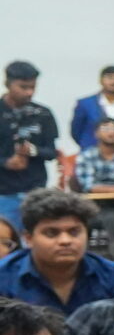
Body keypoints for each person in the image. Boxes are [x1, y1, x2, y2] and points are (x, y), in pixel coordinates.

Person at [0, 190, 114, 315]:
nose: (65, 241)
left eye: (74, 232)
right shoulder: (4, 276)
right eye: (51, 233)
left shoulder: (111, 275)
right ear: (29, 239)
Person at [1, 60, 59, 230]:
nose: (29, 92)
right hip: (3, 191)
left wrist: (34, 151)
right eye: (23, 87)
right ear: (8, 84)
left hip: (35, 191)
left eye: (33, 87)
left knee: (34, 236)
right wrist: (6, 163)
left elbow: (52, 152)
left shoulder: (43, 114)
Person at [67, 64, 114, 153]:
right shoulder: (85, 104)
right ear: (100, 80)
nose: (113, 82)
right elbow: (76, 131)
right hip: (93, 154)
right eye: (110, 78)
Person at [73, 117, 114, 208]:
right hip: (95, 203)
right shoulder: (86, 156)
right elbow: (89, 187)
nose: (111, 133)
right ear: (96, 133)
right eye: (105, 129)